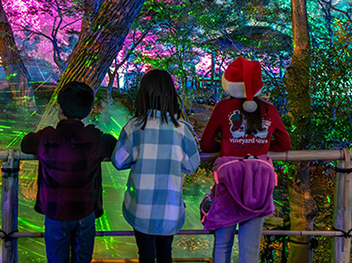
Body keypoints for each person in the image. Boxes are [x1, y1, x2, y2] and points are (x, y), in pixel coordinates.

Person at [199, 57, 291, 263]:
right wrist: (262, 147)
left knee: (222, 246)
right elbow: (285, 144)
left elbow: (205, 145)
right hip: (258, 183)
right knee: (250, 252)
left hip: (229, 182)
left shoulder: (223, 108)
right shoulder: (270, 110)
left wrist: (225, 148)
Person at [21, 81, 117, 263]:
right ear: (89, 111)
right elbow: (113, 146)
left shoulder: (47, 138)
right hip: (85, 212)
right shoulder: (95, 138)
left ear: (59, 108)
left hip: (55, 212)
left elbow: (26, 144)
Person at [112, 69, 201, 263]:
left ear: (143, 95)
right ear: (171, 95)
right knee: (165, 253)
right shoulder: (182, 129)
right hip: (170, 210)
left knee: (145, 254)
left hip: (140, 209)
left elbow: (118, 162)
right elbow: (192, 165)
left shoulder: (134, 126)